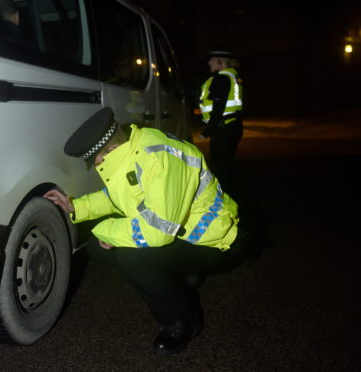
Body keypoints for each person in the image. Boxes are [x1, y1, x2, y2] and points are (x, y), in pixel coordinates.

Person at [44, 107, 244, 355]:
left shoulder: (158, 158)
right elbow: (117, 197)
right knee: (100, 249)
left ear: (111, 149)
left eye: (94, 159)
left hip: (215, 239)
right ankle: (179, 276)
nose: (95, 165)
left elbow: (157, 231)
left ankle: (182, 321)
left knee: (132, 256)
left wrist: (108, 230)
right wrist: (77, 206)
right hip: (182, 231)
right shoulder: (131, 148)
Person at [199, 46, 243, 198]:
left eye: (211, 60)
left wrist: (208, 131)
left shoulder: (222, 79)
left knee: (221, 171)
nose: (209, 63)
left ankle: (227, 203)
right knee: (227, 168)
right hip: (231, 127)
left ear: (220, 62)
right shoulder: (232, 76)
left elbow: (218, 107)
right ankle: (232, 199)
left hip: (223, 129)